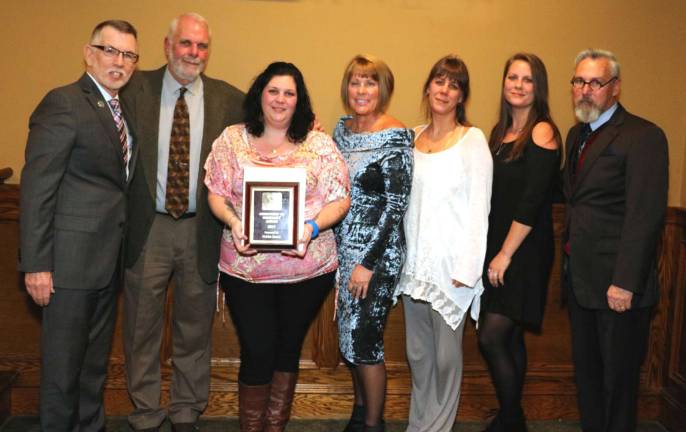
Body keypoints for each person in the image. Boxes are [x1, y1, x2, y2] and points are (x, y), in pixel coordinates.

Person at [204, 61, 350, 432]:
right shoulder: (232, 140)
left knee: (287, 349)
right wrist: (235, 223)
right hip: (244, 271)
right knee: (257, 349)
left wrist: (311, 227)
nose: (280, 99)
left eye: (289, 93)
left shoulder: (319, 145)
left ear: (298, 100)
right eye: (273, 91)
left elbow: (340, 198)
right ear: (260, 95)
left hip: (307, 271)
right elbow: (216, 193)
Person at [120, 13, 244, 432]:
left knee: (195, 326)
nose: (194, 53)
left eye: (202, 46)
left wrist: (308, 127)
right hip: (147, 226)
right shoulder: (134, 89)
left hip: (201, 229)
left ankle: (187, 411)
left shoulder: (230, 99)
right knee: (141, 326)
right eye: (186, 44)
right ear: (167, 45)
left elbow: (272, 125)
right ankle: (145, 412)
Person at [19, 20, 138, 432]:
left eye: (128, 55)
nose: (118, 62)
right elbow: (37, 189)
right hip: (66, 267)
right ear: (89, 53)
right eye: (110, 50)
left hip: (106, 263)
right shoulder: (64, 102)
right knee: (61, 373)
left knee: (92, 370)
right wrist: (36, 264)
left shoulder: (123, 110)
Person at [562, 49, 668, 432]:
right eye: (578, 81)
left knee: (618, 388)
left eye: (595, 82)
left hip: (618, 288)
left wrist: (624, 282)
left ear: (615, 88)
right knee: (588, 382)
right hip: (581, 283)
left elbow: (645, 215)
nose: (585, 90)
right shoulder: (577, 135)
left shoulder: (644, 136)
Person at [397, 55, 492, 432]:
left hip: (451, 269)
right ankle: (418, 425)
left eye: (454, 85)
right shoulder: (411, 137)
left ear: (461, 96)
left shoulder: (473, 140)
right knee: (417, 353)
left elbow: (479, 208)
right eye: (439, 81)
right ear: (427, 87)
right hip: (414, 266)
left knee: (446, 358)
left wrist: (468, 269)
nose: (444, 90)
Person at [477, 53, 561, 432]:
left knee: (491, 335)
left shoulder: (542, 131)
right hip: (499, 245)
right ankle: (513, 416)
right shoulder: (499, 132)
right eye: (513, 77)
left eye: (527, 79)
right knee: (510, 339)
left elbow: (531, 200)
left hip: (523, 250)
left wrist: (505, 255)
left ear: (538, 87)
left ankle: (511, 419)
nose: (518, 85)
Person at [334, 54, 413, 432]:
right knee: (349, 339)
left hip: (377, 256)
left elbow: (396, 206)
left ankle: (372, 424)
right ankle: (358, 413)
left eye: (369, 82)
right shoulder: (341, 130)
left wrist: (368, 262)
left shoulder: (396, 135)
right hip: (343, 252)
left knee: (366, 341)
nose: (361, 90)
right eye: (355, 82)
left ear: (383, 89)